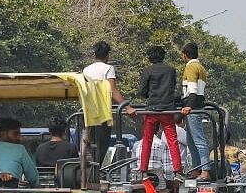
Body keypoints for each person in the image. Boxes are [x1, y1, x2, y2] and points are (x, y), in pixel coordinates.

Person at [127, 45, 183, 175]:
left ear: (150, 57)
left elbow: (142, 91)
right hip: (167, 109)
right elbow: (172, 88)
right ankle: (178, 169)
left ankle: (143, 169)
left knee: (147, 139)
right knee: (172, 139)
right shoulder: (171, 70)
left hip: (152, 109)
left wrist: (150, 95)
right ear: (163, 56)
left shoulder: (148, 71)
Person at [83, 41, 125, 163]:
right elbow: (113, 90)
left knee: (89, 145)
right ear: (107, 55)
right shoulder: (108, 68)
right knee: (102, 145)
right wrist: (126, 106)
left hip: (88, 113)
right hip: (102, 114)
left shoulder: (86, 69)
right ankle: (97, 171)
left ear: (94, 54)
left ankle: (90, 173)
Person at [180, 42, 210, 177]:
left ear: (185, 55)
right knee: (191, 141)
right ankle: (197, 168)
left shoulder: (191, 67)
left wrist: (189, 106)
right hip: (197, 104)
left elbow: (192, 90)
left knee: (198, 140)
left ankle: (204, 170)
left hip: (193, 106)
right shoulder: (201, 67)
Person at [0, 118, 39, 185]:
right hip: (13, 191)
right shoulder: (19, 149)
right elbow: (33, 177)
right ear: (3, 134)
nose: (19, 137)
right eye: (15, 134)